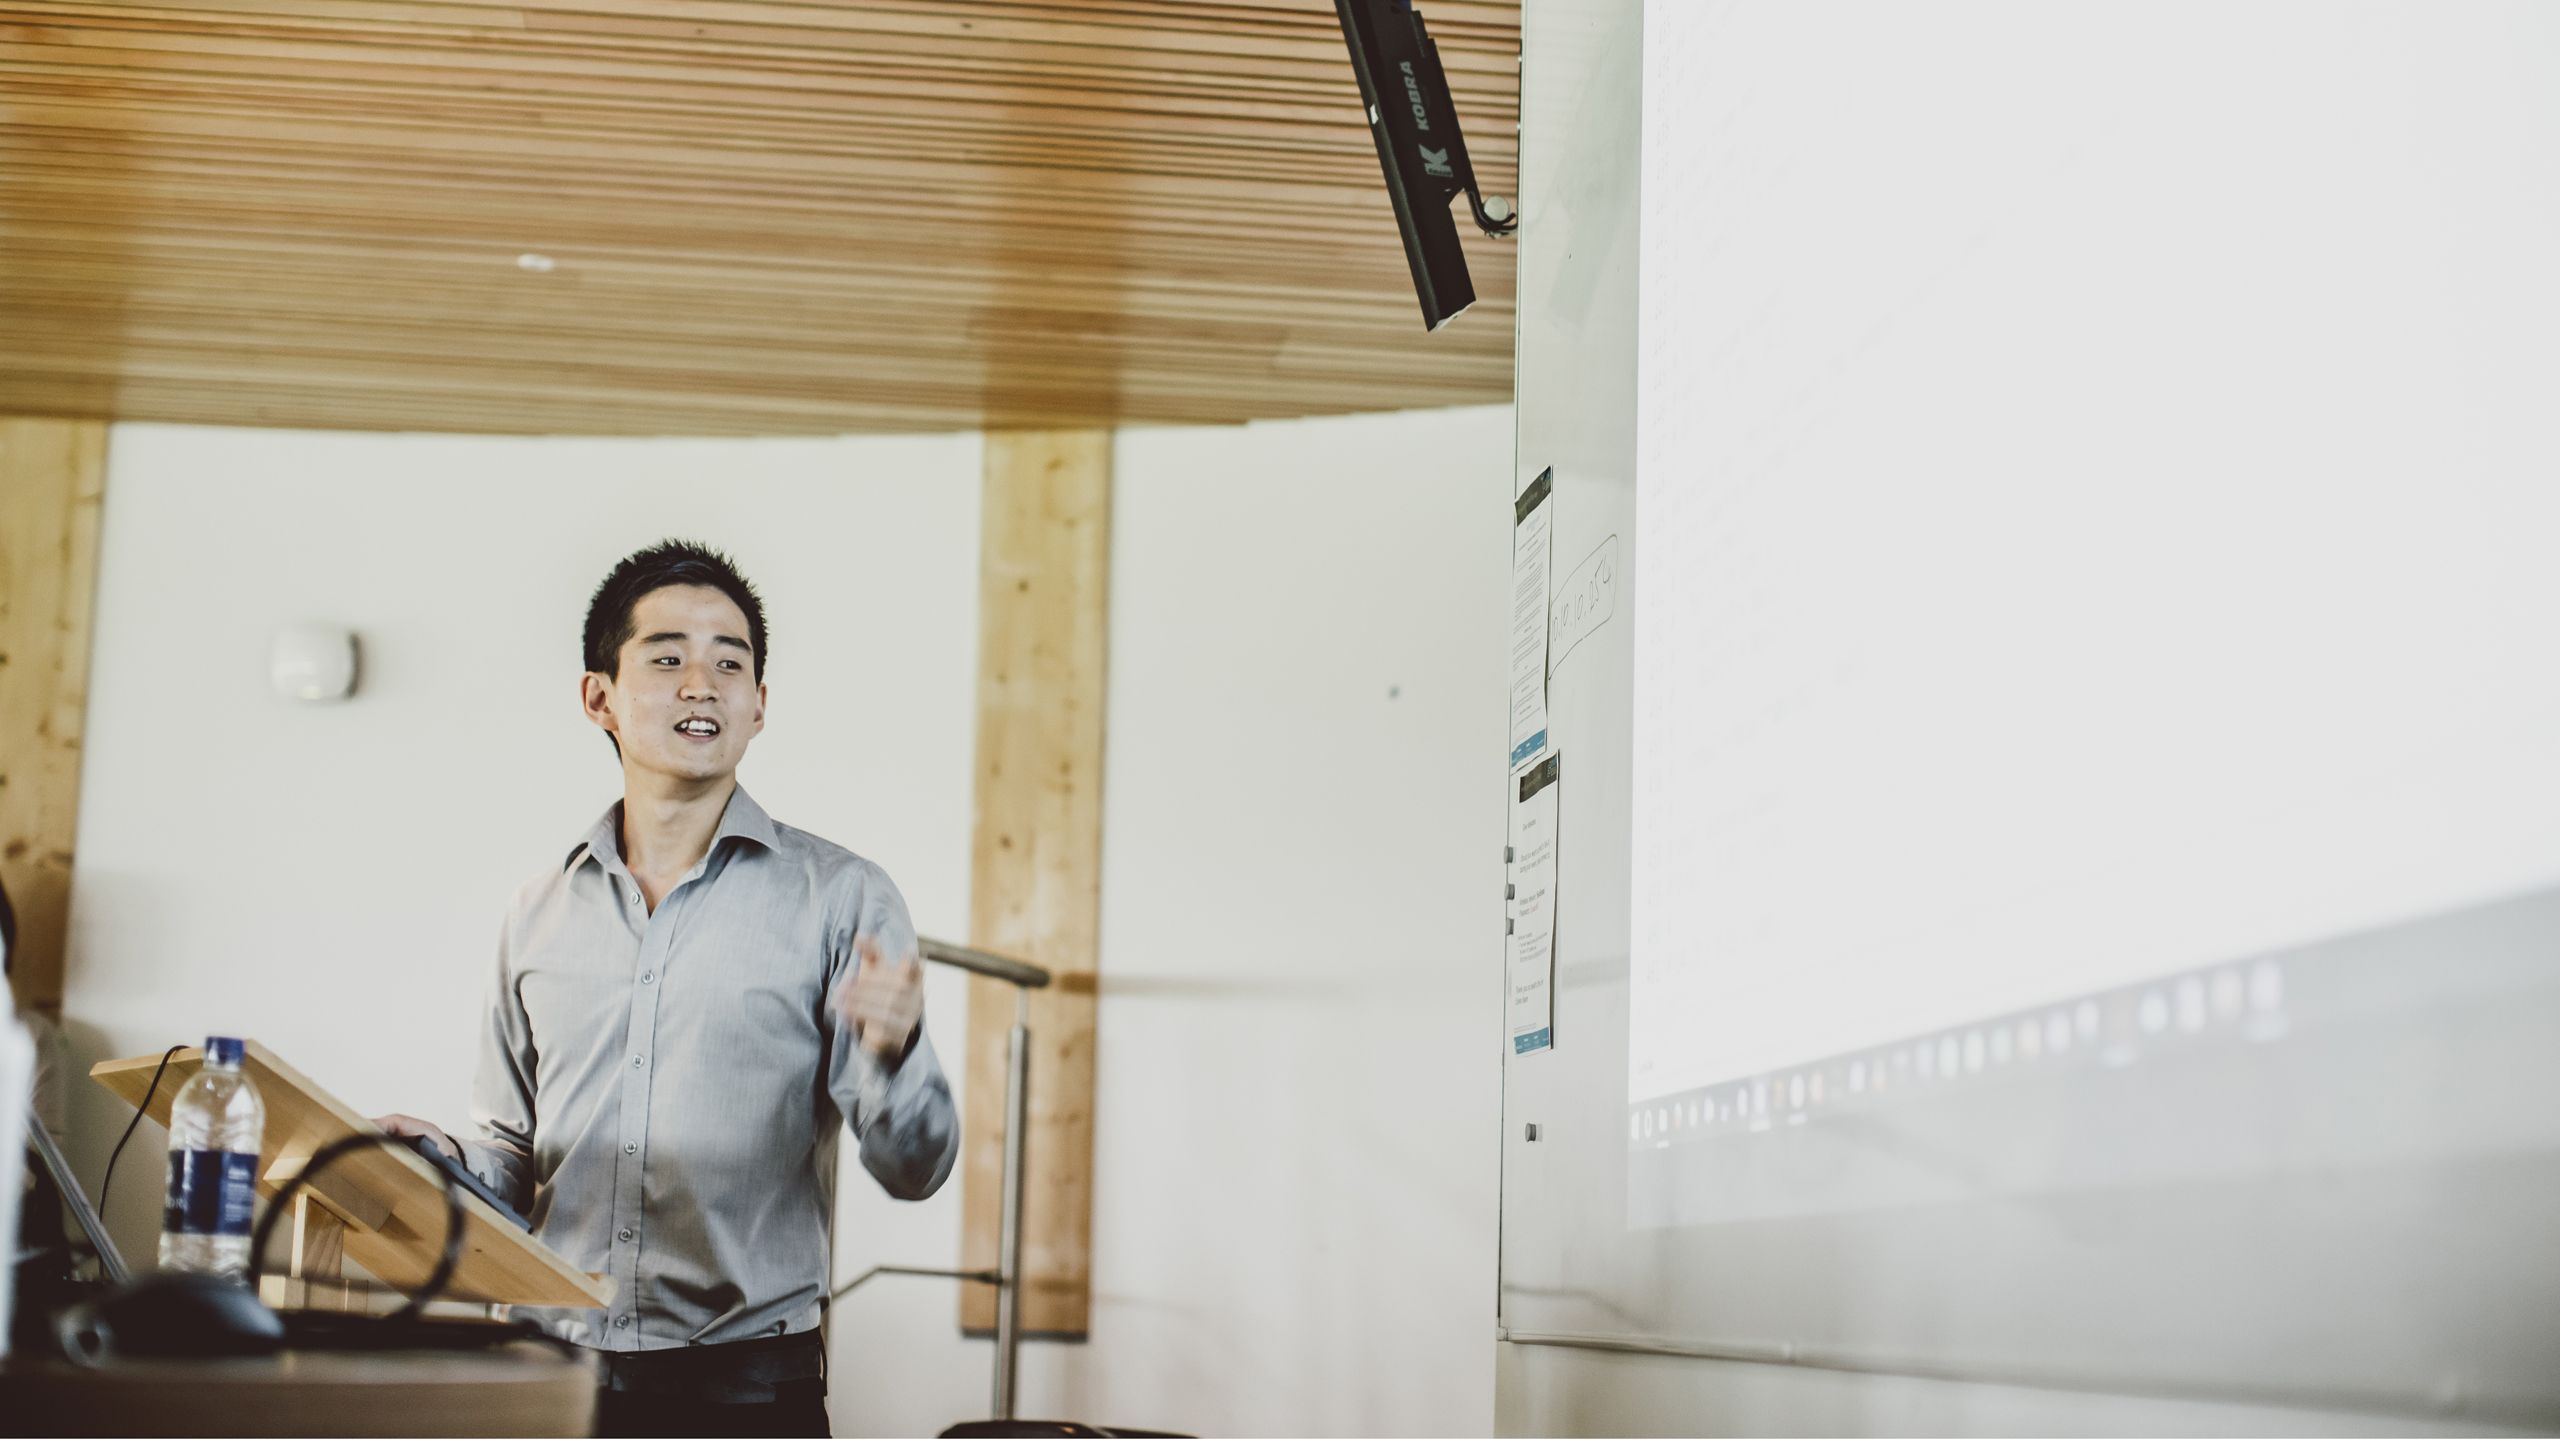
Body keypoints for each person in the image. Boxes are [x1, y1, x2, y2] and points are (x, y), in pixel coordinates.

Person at [377, 540, 957, 1438]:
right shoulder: (538, 911)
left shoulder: (842, 896)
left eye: (731, 661)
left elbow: (916, 1170)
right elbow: (515, 1152)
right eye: (668, 657)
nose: (703, 683)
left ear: (760, 706)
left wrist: (898, 1052)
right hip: (548, 1372)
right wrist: (442, 1162)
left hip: (748, 1387)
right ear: (598, 696)